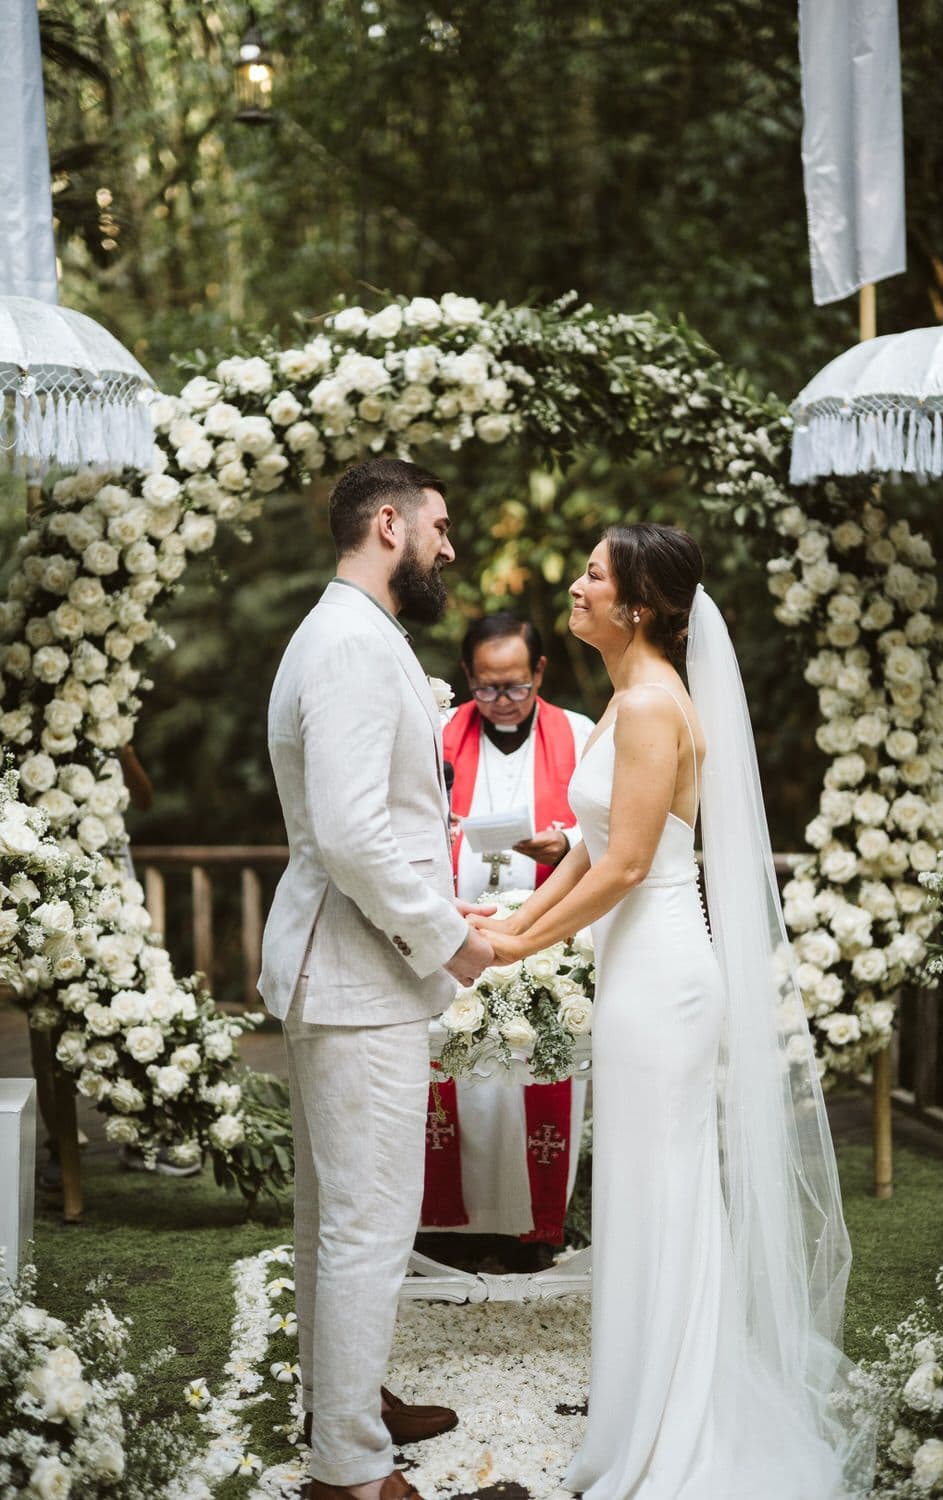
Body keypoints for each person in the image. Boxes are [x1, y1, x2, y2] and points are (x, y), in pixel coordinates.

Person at [470, 524, 872, 1500]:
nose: (574, 586)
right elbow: (584, 847)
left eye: (593, 576)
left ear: (636, 604)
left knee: (662, 1194)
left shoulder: (653, 706)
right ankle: (639, 1411)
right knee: (642, 1196)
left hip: (662, 974)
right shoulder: (623, 701)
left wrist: (517, 947)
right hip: (634, 972)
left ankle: (674, 1433)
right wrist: (508, 919)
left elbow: (627, 866)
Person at [258, 458, 495, 1500]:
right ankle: (348, 1472)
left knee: (334, 1215)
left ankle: (338, 1401)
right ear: (389, 524)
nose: (449, 546)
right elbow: (354, 834)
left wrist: (445, 911)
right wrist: (447, 936)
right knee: (367, 1222)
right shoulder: (352, 643)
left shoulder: (347, 631)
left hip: (345, 970)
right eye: (439, 526)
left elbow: (377, 822)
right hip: (358, 979)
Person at [420, 613, 593, 1250]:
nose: (500, 702)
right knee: (458, 1083)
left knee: (537, 1077)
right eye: (487, 687)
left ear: (539, 673)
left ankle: (534, 1227)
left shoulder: (577, 734)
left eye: (515, 687)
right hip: (455, 937)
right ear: (468, 675)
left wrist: (564, 842)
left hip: (547, 937)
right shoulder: (437, 734)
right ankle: (450, 1231)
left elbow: (607, 830)